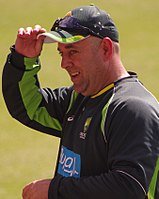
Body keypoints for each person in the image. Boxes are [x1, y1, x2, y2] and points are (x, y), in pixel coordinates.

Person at [2, 4, 159, 199]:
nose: (64, 63)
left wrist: (54, 190)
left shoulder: (133, 109)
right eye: (62, 53)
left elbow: (129, 187)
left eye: (73, 52)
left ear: (106, 48)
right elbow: (28, 107)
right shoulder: (78, 99)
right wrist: (22, 60)